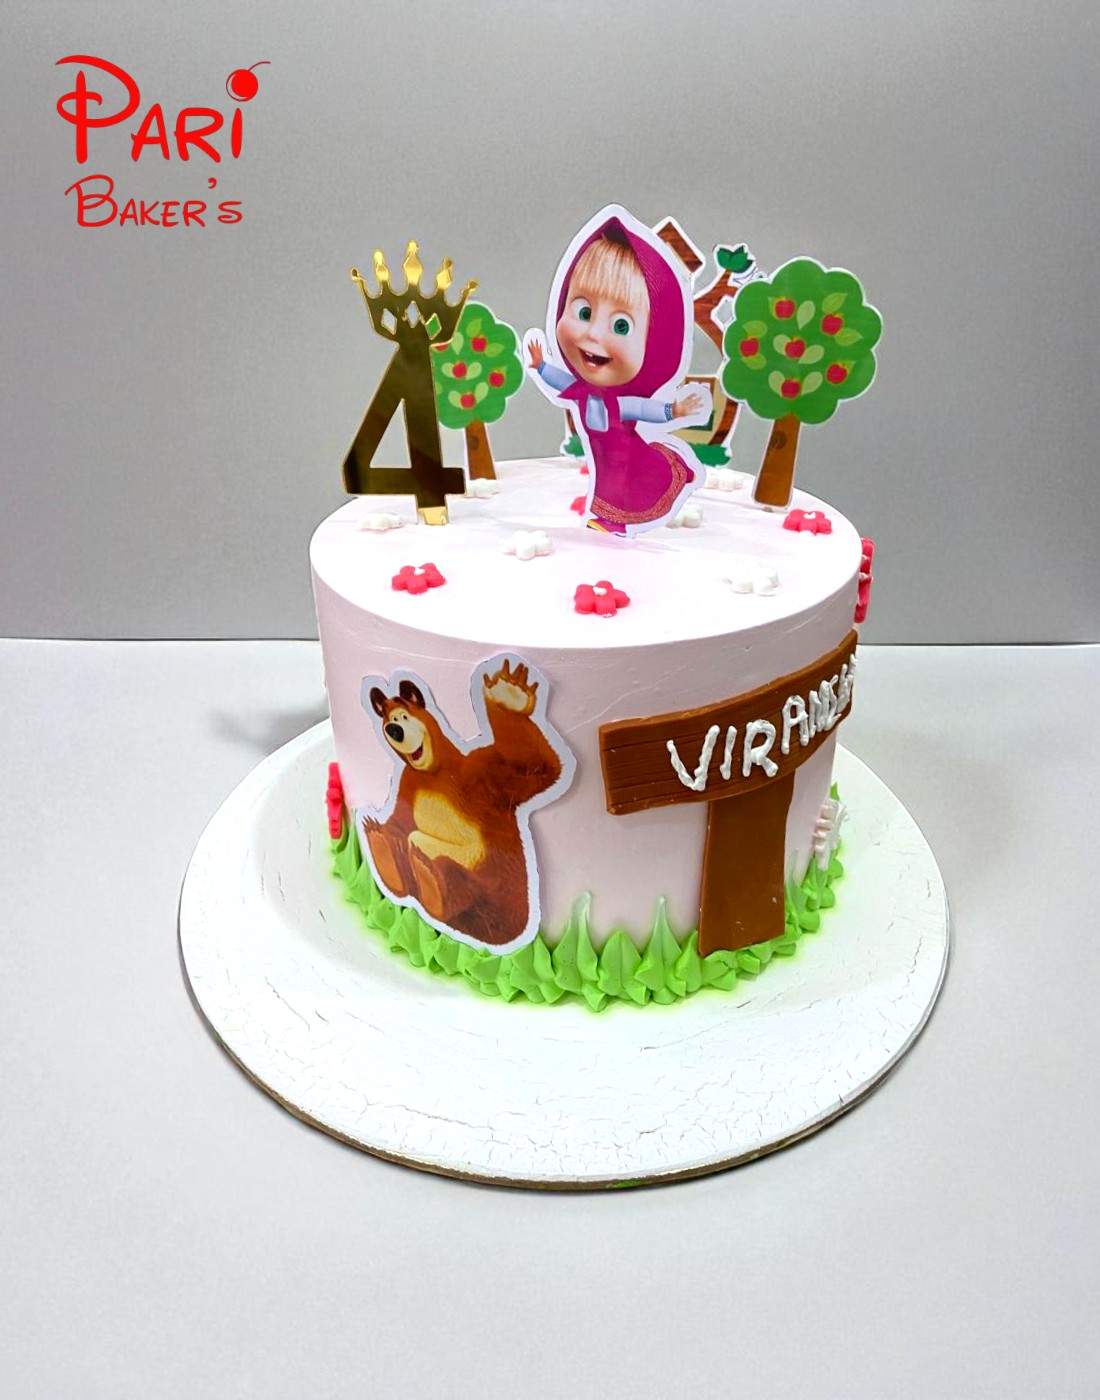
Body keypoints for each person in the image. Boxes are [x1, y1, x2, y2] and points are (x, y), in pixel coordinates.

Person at [526, 211, 706, 534]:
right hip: (601, 457)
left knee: (627, 484)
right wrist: (540, 366)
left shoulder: (620, 404)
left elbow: (642, 409)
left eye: (621, 326)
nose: (594, 334)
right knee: (606, 483)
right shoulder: (580, 392)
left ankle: (630, 513)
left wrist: (674, 410)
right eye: (583, 312)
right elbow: (560, 381)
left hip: (626, 456)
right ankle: (607, 517)